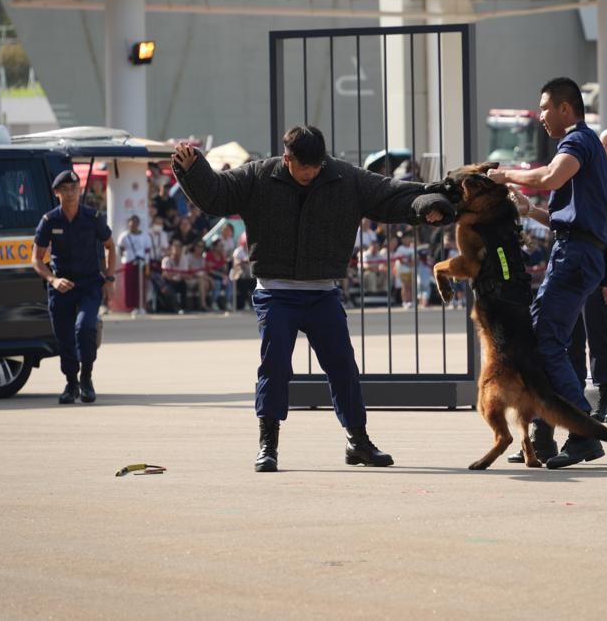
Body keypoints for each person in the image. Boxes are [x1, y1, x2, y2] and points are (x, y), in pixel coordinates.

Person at [171, 125, 453, 472]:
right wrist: (192, 169)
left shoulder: (343, 177)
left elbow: (388, 194)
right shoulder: (259, 176)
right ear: (287, 159)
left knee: (343, 367)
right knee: (274, 367)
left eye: (317, 166)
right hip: (276, 293)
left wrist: (427, 203)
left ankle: (358, 442)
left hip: (322, 293)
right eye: (306, 167)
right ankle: (268, 444)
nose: (313, 173)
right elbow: (217, 194)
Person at [487, 77, 607, 469]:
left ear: (564, 108)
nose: (540, 116)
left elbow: (548, 178)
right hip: (575, 251)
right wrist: (529, 212)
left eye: (543, 108)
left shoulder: (576, 140)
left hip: (574, 257)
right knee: (548, 340)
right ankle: (543, 439)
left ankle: (581, 433)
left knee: (545, 342)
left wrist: (505, 175)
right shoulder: (583, 145)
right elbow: (568, 216)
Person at [31, 170, 116, 404]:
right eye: (65, 189)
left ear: (79, 190)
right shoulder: (50, 221)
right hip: (61, 287)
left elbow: (110, 246)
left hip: (89, 284)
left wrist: (109, 279)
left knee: (85, 328)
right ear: (57, 193)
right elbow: (36, 259)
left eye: (74, 188)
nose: (71, 193)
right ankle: (71, 383)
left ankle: (86, 377)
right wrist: (53, 280)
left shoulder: (93, 217)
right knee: (65, 338)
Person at [116, 214, 152, 314]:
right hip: (128, 263)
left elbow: (148, 251)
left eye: (136, 222)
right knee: (129, 285)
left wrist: (147, 264)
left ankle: (141, 305)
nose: (133, 224)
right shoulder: (124, 236)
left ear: (138, 224)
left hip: (142, 263)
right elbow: (119, 249)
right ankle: (130, 306)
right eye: (132, 222)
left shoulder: (145, 236)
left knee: (141, 285)